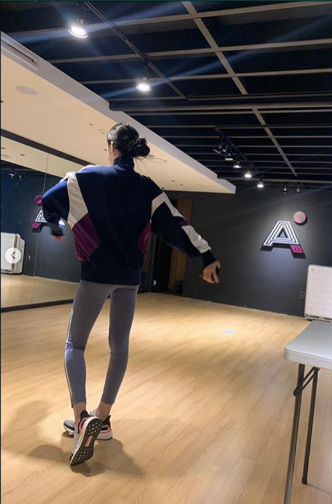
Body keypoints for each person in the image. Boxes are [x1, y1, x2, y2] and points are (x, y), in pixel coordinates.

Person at [42, 123, 221, 466]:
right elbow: (177, 225)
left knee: (75, 345)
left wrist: (53, 224)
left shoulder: (86, 178)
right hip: (130, 278)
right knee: (119, 346)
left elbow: (50, 200)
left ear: (111, 146)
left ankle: (81, 420)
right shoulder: (148, 188)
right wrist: (206, 256)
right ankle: (103, 418)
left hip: (96, 274)